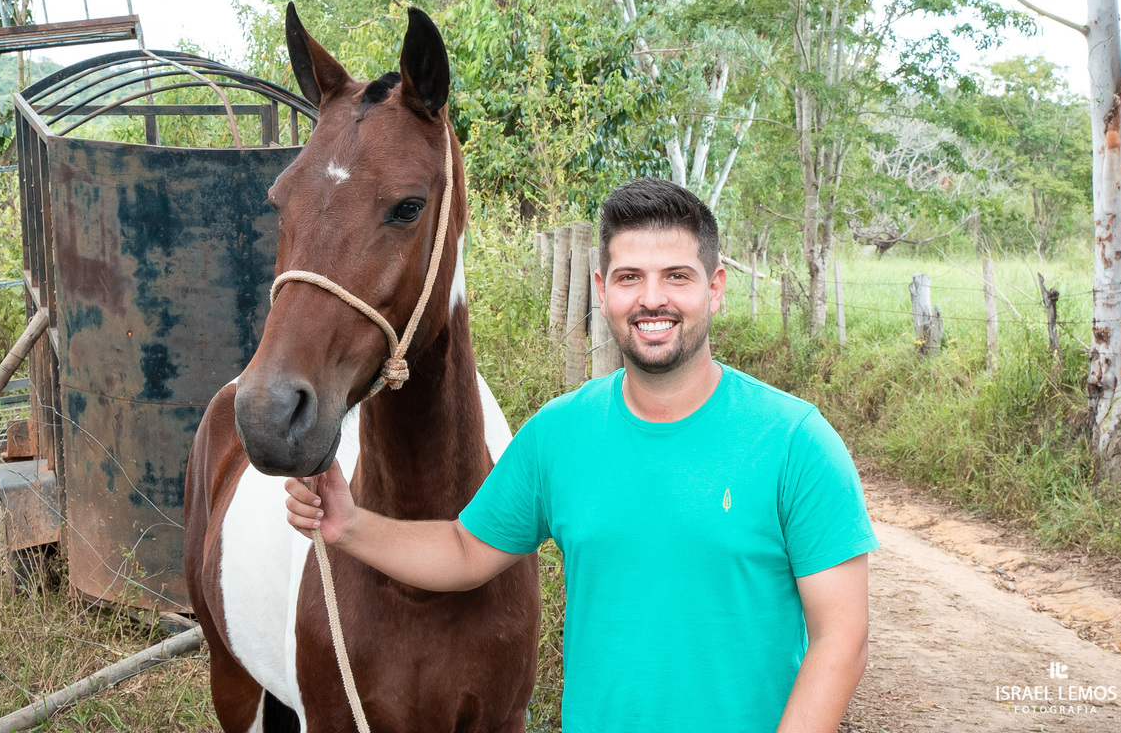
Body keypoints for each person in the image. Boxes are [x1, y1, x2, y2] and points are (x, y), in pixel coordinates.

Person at [285, 178, 880, 733]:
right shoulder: (559, 435)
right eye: (629, 278)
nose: (653, 300)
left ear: (715, 288)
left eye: (677, 276)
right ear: (601, 290)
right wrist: (350, 525)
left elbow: (842, 637)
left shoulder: (796, 442)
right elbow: (466, 551)